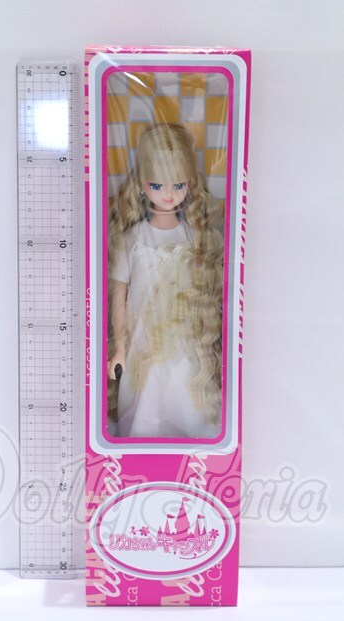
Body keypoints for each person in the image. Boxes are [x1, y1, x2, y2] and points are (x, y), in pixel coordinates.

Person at [107, 123, 224, 439]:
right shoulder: (132, 239)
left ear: (190, 183)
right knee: (146, 399)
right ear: (142, 184)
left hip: (185, 338)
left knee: (186, 398)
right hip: (143, 340)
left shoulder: (194, 237)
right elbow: (119, 296)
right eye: (157, 185)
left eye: (179, 184)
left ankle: (193, 443)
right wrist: (120, 348)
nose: (169, 195)